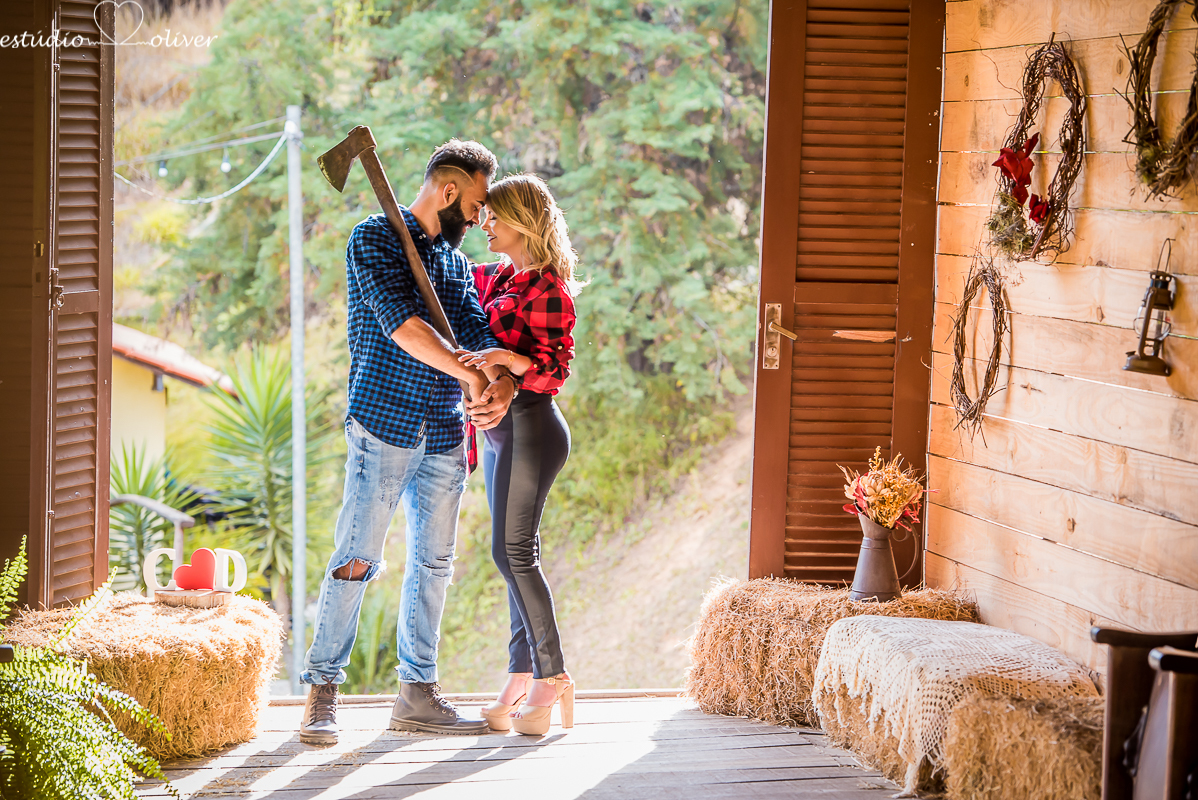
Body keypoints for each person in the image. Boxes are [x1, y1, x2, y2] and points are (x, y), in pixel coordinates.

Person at [299, 140, 520, 745]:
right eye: (475, 204)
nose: (479, 217)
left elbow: (475, 333)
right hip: (383, 423)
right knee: (356, 557)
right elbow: (406, 329)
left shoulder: (455, 264)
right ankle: (323, 688)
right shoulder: (374, 238)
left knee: (435, 563)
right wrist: (470, 374)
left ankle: (417, 694)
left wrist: (498, 380)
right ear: (449, 190)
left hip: (445, 431)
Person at [456, 174, 581, 736]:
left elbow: (555, 371)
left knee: (513, 555)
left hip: (532, 426)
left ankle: (552, 677)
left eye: (494, 216)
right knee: (511, 557)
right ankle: (520, 677)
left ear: (523, 221)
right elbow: (451, 278)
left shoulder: (549, 289)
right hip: (499, 433)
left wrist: (510, 361)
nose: (485, 224)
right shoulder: (498, 275)